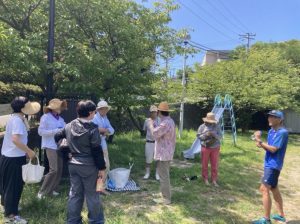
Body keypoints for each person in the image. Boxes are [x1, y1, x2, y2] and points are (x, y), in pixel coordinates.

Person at [55, 100, 106, 224]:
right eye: (94, 111)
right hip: (89, 166)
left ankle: (73, 221)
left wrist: (66, 152)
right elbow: (96, 150)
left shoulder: (69, 125)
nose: (95, 114)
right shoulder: (93, 129)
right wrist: (102, 168)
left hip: (73, 164)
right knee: (92, 195)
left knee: (75, 194)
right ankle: (96, 221)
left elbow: (57, 136)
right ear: (89, 113)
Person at [0, 96, 40, 224]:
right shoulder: (17, 120)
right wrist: (29, 151)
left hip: (11, 156)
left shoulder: (17, 118)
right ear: (22, 108)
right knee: (14, 186)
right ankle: (11, 216)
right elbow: (16, 140)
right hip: (13, 158)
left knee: (8, 185)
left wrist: (25, 152)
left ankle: (7, 207)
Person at [252, 110, 288, 224]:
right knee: (273, 188)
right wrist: (258, 140)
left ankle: (266, 219)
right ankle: (281, 215)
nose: (270, 118)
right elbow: (266, 146)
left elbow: (273, 149)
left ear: (280, 119)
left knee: (264, 189)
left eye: (273, 117)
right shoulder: (271, 131)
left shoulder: (282, 132)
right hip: (269, 164)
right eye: (269, 116)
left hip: (274, 165)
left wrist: (259, 140)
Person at [37, 98, 67, 199]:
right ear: (53, 108)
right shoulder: (45, 117)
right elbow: (40, 132)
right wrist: (56, 131)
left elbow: (65, 131)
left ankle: (52, 189)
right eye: (59, 107)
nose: (61, 109)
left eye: (61, 107)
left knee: (59, 169)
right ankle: (41, 192)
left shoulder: (62, 120)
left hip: (60, 146)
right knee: (53, 169)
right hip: (50, 146)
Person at [148, 102, 176, 205]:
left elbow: (155, 133)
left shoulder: (165, 123)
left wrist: (150, 125)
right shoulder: (169, 121)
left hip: (164, 154)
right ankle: (164, 194)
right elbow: (160, 132)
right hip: (166, 152)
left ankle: (166, 198)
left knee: (164, 176)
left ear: (159, 112)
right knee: (163, 174)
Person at [92, 100, 114, 193]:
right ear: (99, 109)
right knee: (96, 168)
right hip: (95, 146)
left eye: (106, 109)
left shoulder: (105, 118)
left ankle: (101, 188)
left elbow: (112, 130)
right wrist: (104, 131)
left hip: (103, 145)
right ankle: (96, 188)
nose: (105, 111)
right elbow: (94, 130)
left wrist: (104, 131)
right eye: (104, 109)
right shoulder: (94, 118)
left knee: (106, 166)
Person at [197, 112, 222, 187]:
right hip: (205, 147)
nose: (210, 122)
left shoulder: (217, 126)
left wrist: (214, 134)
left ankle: (214, 180)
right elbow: (198, 136)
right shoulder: (202, 126)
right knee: (204, 164)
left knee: (214, 164)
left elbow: (220, 136)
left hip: (215, 147)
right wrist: (205, 135)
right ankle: (205, 179)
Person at [142, 105, 160, 180]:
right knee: (148, 159)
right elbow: (144, 130)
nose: (154, 113)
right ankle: (147, 173)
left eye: (155, 112)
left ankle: (157, 174)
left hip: (158, 142)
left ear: (157, 112)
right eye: (152, 112)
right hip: (149, 142)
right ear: (150, 113)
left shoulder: (160, 120)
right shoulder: (147, 120)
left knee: (158, 159)